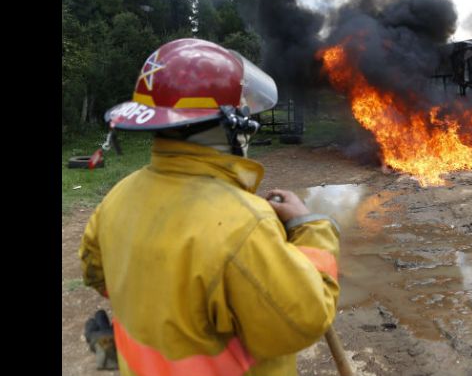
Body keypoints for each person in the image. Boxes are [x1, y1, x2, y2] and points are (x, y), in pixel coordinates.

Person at [79, 38, 340, 376]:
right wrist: (310, 226)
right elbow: (305, 319)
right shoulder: (244, 225)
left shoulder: (117, 198)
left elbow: (98, 275)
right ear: (226, 126)